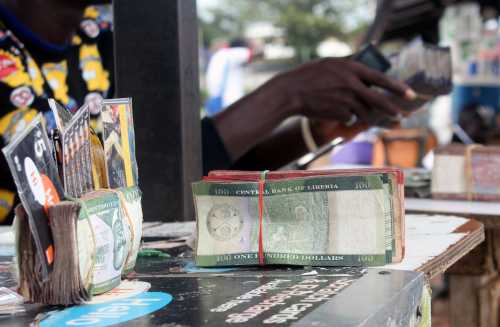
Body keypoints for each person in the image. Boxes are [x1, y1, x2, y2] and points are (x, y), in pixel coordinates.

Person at [0, 0, 416, 224]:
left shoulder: (105, 37)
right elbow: (71, 199)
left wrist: (313, 130)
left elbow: (180, 172)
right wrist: (285, 95)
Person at [205, 38, 252, 116]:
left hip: (217, 101)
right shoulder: (234, 53)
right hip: (230, 102)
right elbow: (256, 53)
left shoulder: (220, 55)